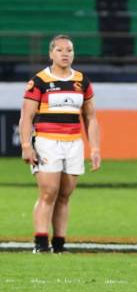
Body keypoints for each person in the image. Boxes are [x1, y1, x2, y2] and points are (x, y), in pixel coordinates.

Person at [19, 34, 101, 253]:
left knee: (65, 194)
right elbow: (26, 116)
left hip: (73, 143)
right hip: (46, 141)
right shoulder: (39, 81)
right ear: (51, 53)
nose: (65, 54)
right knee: (49, 192)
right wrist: (26, 146)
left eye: (69, 50)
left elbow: (91, 117)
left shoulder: (82, 81)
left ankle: (59, 243)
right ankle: (40, 242)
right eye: (60, 50)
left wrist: (94, 148)